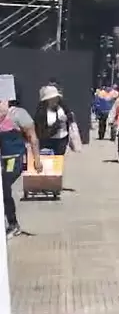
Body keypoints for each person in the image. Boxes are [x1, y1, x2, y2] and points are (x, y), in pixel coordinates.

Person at [0, 98, 42, 237]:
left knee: (4, 187)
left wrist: (37, 160)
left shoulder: (18, 115)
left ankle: (13, 225)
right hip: (2, 159)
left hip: (15, 158)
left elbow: (32, 137)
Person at [33, 85, 74, 155]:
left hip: (62, 140)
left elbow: (70, 114)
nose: (55, 100)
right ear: (47, 100)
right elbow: (40, 131)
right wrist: (57, 124)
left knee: (59, 160)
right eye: (52, 98)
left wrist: (67, 117)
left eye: (56, 98)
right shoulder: (41, 111)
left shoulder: (62, 105)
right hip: (48, 141)